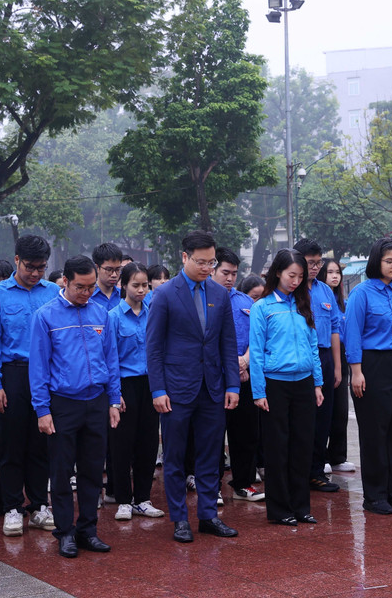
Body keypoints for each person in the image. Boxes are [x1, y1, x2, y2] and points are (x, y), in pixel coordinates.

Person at [146, 231, 240, 543]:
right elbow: (154, 347)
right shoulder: (165, 294)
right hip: (175, 390)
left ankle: (208, 515)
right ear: (184, 257)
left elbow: (228, 343)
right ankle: (179, 519)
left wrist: (232, 385)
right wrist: (158, 390)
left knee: (211, 456)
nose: (206, 267)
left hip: (212, 388)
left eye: (211, 262)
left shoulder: (219, 293)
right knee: (174, 457)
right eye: (200, 262)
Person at [30, 255, 122, 557]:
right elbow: (39, 367)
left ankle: (88, 530)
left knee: (93, 471)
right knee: (60, 472)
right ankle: (65, 532)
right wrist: (42, 410)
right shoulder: (46, 316)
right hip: (63, 404)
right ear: (65, 282)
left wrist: (112, 400)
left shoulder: (101, 313)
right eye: (80, 287)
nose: (86, 293)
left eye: (91, 287)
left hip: (96, 402)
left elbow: (111, 360)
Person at [0, 235, 57, 535]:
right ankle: (12, 507)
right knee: (10, 444)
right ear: (16, 260)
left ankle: (38, 505)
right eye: (30, 266)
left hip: (46, 375)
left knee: (41, 443)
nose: (36, 273)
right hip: (12, 374)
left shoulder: (53, 292)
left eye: (41, 267)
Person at [345, 238, 392, 516]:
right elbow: (351, 334)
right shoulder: (361, 293)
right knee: (375, 431)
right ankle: (374, 494)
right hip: (371, 364)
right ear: (376, 261)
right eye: (389, 260)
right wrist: (356, 372)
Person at [250, 249, 324, 525]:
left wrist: (317, 383)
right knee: (277, 448)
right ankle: (280, 509)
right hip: (275, 385)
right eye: (291, 275)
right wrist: (258, 391)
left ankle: (301, 506)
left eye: (300, 276)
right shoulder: (263, 307)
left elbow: (313, 347)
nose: (295, 281)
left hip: (304, 383)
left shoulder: (304, 305)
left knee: (303, 446)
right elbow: (256, 352)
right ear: (278, 273)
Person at [107, 262, 164, 521]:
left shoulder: (154, 313)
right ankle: (123, 500)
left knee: (148, 441)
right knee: (122, 444)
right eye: (136, 285)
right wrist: (114, 392)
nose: (141, 290)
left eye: (145, 285)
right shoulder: (113, 317)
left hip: (151, 384)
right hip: (125, 384)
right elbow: (109, 357)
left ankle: (142, 498)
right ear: (123, 285)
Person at [211, 248, 262, 503]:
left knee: (245, 433)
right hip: (216, 378)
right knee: (213, 435)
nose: (230, 278)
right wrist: (232, 363)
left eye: (234, 273)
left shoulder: (246, 302)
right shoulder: (204, 300)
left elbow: (257, 337)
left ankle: (243, 483)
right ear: (213, 270)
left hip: (244, 375)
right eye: (225, 272)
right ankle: (213, 487)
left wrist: (244, 360)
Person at [292, 239, 341, 494]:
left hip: (324, 357)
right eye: (310, 263)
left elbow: (334, 329)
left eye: (318, 263)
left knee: (324, 417)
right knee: (302, 418)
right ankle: (297, 471)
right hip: (299, 358)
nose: (315, 267)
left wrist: (337, 367)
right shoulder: (293, 291)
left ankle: (316, 471)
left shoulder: (325, 291)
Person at [318, 259, 355, 474]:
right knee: (323, 408)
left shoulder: (344, 304)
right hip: (323, 352)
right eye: (330, 272)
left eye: (337, 272)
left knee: (340, 409)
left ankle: (338, 455)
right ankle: (320, 456)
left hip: (341, 354)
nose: (335, 276)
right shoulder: (319, 297)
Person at [90, 243, 123, 311]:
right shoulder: (88, 297)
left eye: (117, 269)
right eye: (109, 270)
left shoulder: (124, 296)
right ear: (97, 268)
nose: (114, 275)